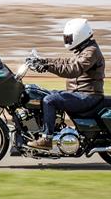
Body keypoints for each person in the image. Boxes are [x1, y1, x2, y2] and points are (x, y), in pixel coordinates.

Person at [27, 18, 105, 150]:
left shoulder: (91, 52)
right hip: (78, 93)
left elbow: (73, 69)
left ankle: (47, 138)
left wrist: (47, 67)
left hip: (87, 96)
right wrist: (43, 60)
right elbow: (65, 62)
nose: (67, 40)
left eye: (69, 38)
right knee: (43, 94)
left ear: (79, 35)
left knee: (50, 100)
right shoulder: (84, 49)